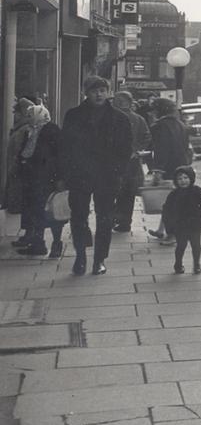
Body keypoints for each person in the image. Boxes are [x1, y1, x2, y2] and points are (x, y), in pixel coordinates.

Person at [60, 76, 133, 276]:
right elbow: (64, 147)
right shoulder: (74, 116)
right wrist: (65, 173)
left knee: (105, 218)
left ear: (109, 92)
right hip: (80, 175)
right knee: (78, 217)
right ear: (86, 92)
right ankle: (81, 256)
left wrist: (118, 172)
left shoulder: (119, 118)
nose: (99, 94)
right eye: (94, 90)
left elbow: (126, 149)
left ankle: (99, 259)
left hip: (107, 176)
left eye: (102, 90)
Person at [14, 104, 64, 257]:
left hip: (48, 178)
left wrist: (60, 178)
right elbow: (26, 151)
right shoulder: (31, 130)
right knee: (36, 211)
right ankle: (38, 244)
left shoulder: (52, 130)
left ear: (40, 115)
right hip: (32, 177)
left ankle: (56, 243)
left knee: (53, 211)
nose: (27, 118)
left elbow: (60, 155)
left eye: (30, 115)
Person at [146, 97, 191, 245]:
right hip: (181, 167)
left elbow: (161, 150)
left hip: (168, 168)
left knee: (170, 203)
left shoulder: (159, 126)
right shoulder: (181, 125)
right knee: (170, 201)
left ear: (159, 111)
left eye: (153, 110)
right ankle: (161, 230)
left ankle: (172, 235)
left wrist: (158, 171)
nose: (151, 113)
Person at [110, 90, 152, 233]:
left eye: (119, 100)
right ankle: (123, 222)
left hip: (119, 161)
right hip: (129, 160)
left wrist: (136, 149)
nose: (117, 103)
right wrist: (137, 150)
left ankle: (115, 218)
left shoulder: (115, 118)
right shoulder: (138, 118)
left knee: (117, 191)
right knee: (126, 193)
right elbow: (147, 137)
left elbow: (146, 137)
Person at [161, 165, 201, 275]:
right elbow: (167, 209)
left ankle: (196, 264)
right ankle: (178, 264)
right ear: (176, 181)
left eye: (186, 178)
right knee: (181, 245)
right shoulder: (174, 194)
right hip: (180, 225)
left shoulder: (196, 190)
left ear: (191, 178)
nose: (183, 181)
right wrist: (169, 225)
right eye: (180, 179)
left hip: (195, 224)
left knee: (196, 245)